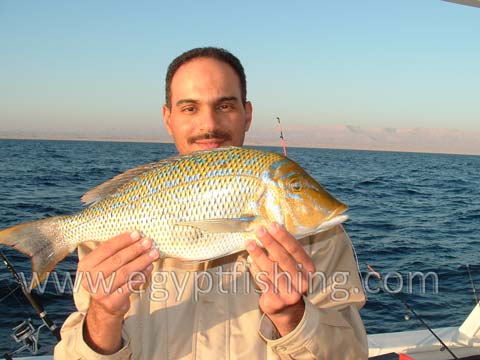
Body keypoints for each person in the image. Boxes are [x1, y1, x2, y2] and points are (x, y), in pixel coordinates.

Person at [54, 47, 368, 359]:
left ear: (247, 115)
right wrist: (103, 316)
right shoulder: (108, 237)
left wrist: (292, 315)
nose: (209, 125)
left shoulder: (320, 239)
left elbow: (350, 354)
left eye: (225, 106)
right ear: (168, 118)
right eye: (190, 108)